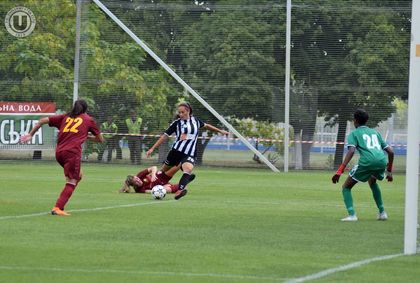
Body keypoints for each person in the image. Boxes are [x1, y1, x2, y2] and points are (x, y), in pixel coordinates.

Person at [20, 100, 104, 216]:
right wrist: (88, 137)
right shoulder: (88, 120)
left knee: (78, 175)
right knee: (72, 180)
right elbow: (100, 139)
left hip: (59, 153)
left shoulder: (65, 116)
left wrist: (30, 134)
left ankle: (62, 204)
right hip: (72, 153)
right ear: (85, 109)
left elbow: (42, 121)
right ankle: (57, 208)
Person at [146, 102, 229, 200]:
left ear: (188, 111)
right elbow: (165, 136)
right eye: (179, 112)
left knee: (188, 169)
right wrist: (152, 148)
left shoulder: (196, 121)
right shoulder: (176, 123)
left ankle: (179, 191)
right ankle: (154, 186)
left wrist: (220, 131)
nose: (180, 114)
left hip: (190, 153)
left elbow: (207, 126)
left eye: (183, 112)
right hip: (175, 152)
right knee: (163, 172)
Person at [332, 109, 394, 222]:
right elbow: (391, 152)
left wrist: (339, 171)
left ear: (355, 121)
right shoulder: (375, 133)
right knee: (372, 181)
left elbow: (351, 151)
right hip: (381, 161)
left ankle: (352, 215)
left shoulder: (354, 134)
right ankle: (382, 212)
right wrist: (389, 172)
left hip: (367, 162)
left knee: (346, 187)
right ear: (367, 120)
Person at [119, 165, 195, 194]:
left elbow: (154, 167)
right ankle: (185, 182)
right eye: (136, 181)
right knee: (166, 190)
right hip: (161, 185)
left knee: (178, 165)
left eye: (137, 178)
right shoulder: (139, 190)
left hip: (161, 176)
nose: (138, 180)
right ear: (134, 185)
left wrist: (153, 175)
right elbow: (151, 191)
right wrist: (161, 190)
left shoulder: (140, 175)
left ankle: (185, 173)